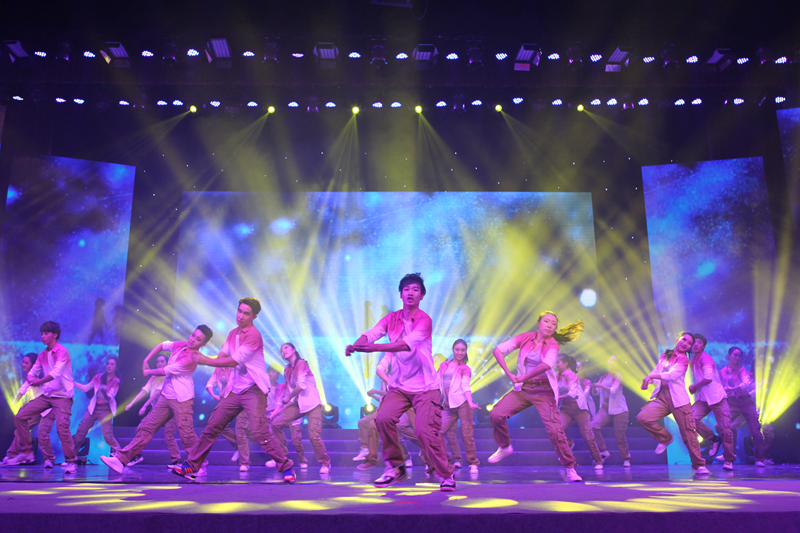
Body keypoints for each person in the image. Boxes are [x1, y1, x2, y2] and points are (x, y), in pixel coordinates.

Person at [346, 273, 455, 491]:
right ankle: (395, 468)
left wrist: (373, 348)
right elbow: (372, 333)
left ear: (422, 295)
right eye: (406, 289)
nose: (410, 293)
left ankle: (446, 474)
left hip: (425, 387)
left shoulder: (424, 320)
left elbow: (406, 344)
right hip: (399, 386)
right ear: (401, 294)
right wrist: (357, 345)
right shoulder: (391, 318)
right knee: (382, 419)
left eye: (415, 289)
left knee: (425, 432)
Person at [170, 298, 295, 482]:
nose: (241, 316)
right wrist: (208, 366)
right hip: (235, 390)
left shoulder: (254, 335)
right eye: (239, 311)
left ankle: (286, 467)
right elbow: (222, 357)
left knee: (259, 431)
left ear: (254, 317)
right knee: (213, 426)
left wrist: (205, 360)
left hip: (253, 390)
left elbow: (234, 360)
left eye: (246, 313)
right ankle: (192, 466)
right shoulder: (232, 334)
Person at [487, 311, 585, 482]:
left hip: (544, 391)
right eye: (546, 321)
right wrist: (510, 374)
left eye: (553, 324)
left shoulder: (553, 344)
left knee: (554, 430)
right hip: (524, 389)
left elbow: (546, 365)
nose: (550, 325)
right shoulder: (525, 337)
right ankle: (505, 447)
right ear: (539, 323)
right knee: (496, 414)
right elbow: (498, 350)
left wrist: (524, 377)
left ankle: (570, 468)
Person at [99, 325, 212, 474]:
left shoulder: (192, 358)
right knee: (147, 428)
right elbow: (161, 346)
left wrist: (148, 372)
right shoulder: (180, 345)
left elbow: (166, 371)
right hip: (166, 396)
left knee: (187, 435)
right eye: (193, 335)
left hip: (182, 400)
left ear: (203, 344)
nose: (192, 340)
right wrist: (146, 359)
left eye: (198, 339)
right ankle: (121, 460)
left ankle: (200, 464)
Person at [637, 332, 709, 475]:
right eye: (684, 340)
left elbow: (672, 375)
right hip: (663, 397)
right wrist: (648, 379)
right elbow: (657, 370)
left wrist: (652, 376)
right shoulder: (665, 355)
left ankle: (699, 465)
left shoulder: (683, 359)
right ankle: (665, 438)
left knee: (688, 433)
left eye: (689, 343)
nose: (686, 344)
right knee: (643, 417)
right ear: (677, 339)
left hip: (679, 400)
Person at [11, 322, 79, 473]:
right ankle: (27, 452)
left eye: (46, 333)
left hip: (62, 397)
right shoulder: (42, 355)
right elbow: (32, 372)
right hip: (47, 396)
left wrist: (38, 381)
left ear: (55, 335)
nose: (42, 336)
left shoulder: (62, 351)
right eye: (41, 333)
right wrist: (31, 378)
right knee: (20, 417)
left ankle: (71, 461)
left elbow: (56, 373)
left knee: (62, 428)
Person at [270, 343, 331, 474]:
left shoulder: (301, 363)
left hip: (312, 403)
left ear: (294, 350)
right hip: (298, 403)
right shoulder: (287, 369)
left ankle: (325, 463)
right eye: (281, 350)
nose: (283, 351)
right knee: (275, 423)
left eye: (286, 348)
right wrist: (282, 408)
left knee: (313, 435)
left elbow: (301, 386)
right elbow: (290, 390)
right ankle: (283, 456)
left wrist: (289, 397)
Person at [123, 354, 182, 466]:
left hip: (170, 410)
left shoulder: (168, 376)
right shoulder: (154, 377)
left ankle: (177, 461)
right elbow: (144, 391)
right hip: (157, 410)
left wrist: (145, 405)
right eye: (157, 362)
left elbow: (157, 393)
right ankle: (137, 455)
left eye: (162, 361)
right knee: (141, 428)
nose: (159, 364)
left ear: (167, 363)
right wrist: (131, 403)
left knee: (169, 435)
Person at [689, 333, 736, 471]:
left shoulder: (706, 358)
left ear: (704, 346)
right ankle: (713, 438)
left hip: (717, 398)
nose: (696, 344)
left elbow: (708, 378)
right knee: (690, 418)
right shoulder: (692, 359)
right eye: (694, 342)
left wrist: (694, 386)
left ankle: (729, 459)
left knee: (726, 429)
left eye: (699, 342)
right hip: (703, 398)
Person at [1, 353, 56, 467]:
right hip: (38, 409)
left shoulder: (40, 376)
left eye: (26, 362)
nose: (23, 364)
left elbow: (25, 389)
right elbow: (24, 388)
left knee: (42, 433)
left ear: (33, 365)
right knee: (20, 430)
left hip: (47, 410)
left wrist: (16, 401)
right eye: (23, 361)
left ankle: (48, 459)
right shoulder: (30, 376)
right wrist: (16, 401)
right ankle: (13, 455)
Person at [438, 339, 480, 474]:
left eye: (463, 350)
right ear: (453, 350)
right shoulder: (444, 365)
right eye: (457, 350)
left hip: (463, 404)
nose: (460, 352)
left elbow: (465, 386)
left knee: (466, 434)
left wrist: (471, 403)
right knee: (439, 431)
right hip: (448, 404)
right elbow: (437, 382)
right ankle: (445, 461)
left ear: (466, 351)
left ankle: (473, 463)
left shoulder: (465, 369)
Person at [719, 346, 766, 467]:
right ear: (729, 356)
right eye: (735, 355)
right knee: (722, 426)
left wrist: (731, 389)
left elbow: (745, 385)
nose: (737, 358)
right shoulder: (723, 371)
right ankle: (729, 455)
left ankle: (759, 458)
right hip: (732, 403)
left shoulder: (742, 370)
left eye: (739, 356)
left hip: (746, 402)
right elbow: (722, 387)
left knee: (755, 431)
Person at [556, 353, 604, 470]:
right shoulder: (557, 376)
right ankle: (569, 444)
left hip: (579, 408)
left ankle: (598, 460)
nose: (556, 364)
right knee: (556, 430)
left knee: (587, 436)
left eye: (558, 362)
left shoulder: (571, 375)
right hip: (566, 408)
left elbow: (572, 393)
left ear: (565, 364)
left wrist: (559, 397)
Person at [72, 357, 123, 460]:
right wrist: (73, 383)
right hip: (93, 408)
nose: (109, 366)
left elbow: (110, 398)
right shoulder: (98, 377)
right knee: (81, 431)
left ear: (116, 367)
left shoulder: (116, 381)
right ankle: (71, 458)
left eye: (112, 364)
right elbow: (86, 388)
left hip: (105, 410)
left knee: (108, 436)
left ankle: (122, 457)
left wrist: (105, 393)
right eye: (108, 364)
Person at [206, 366, 254, 472]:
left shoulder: (235, 366)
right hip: (227, 401)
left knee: (241, 430)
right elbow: (210, 383)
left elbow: (232, 383)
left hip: (241, 399)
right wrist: (214, 395)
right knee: (216, 423)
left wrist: (221, 395)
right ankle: (237, 445)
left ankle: (245, 463)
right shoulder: (219, 369)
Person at [590, 356, 631, 466]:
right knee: (593, 426)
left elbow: (613, 390)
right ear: (607, 362)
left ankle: (626, 458)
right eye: (611, 360)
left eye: (615, 361)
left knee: (620, 434)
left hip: (619, 408)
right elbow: (596, 392)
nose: (613, 362)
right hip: (606, 407)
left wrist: (600, 385)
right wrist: (594, 387)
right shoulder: (603, 377)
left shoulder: (618, 376)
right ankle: (603, 451)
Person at [268, 375, 308, 469]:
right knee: (276, 434)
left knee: (296, 440)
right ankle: (281, 457)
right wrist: (274, 414)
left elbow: (290, 403)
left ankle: (302, 460)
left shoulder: (296, 387)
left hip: (294, 416)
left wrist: (280, 412)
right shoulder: (282, 387)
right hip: (283, 416)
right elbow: (279, 403)